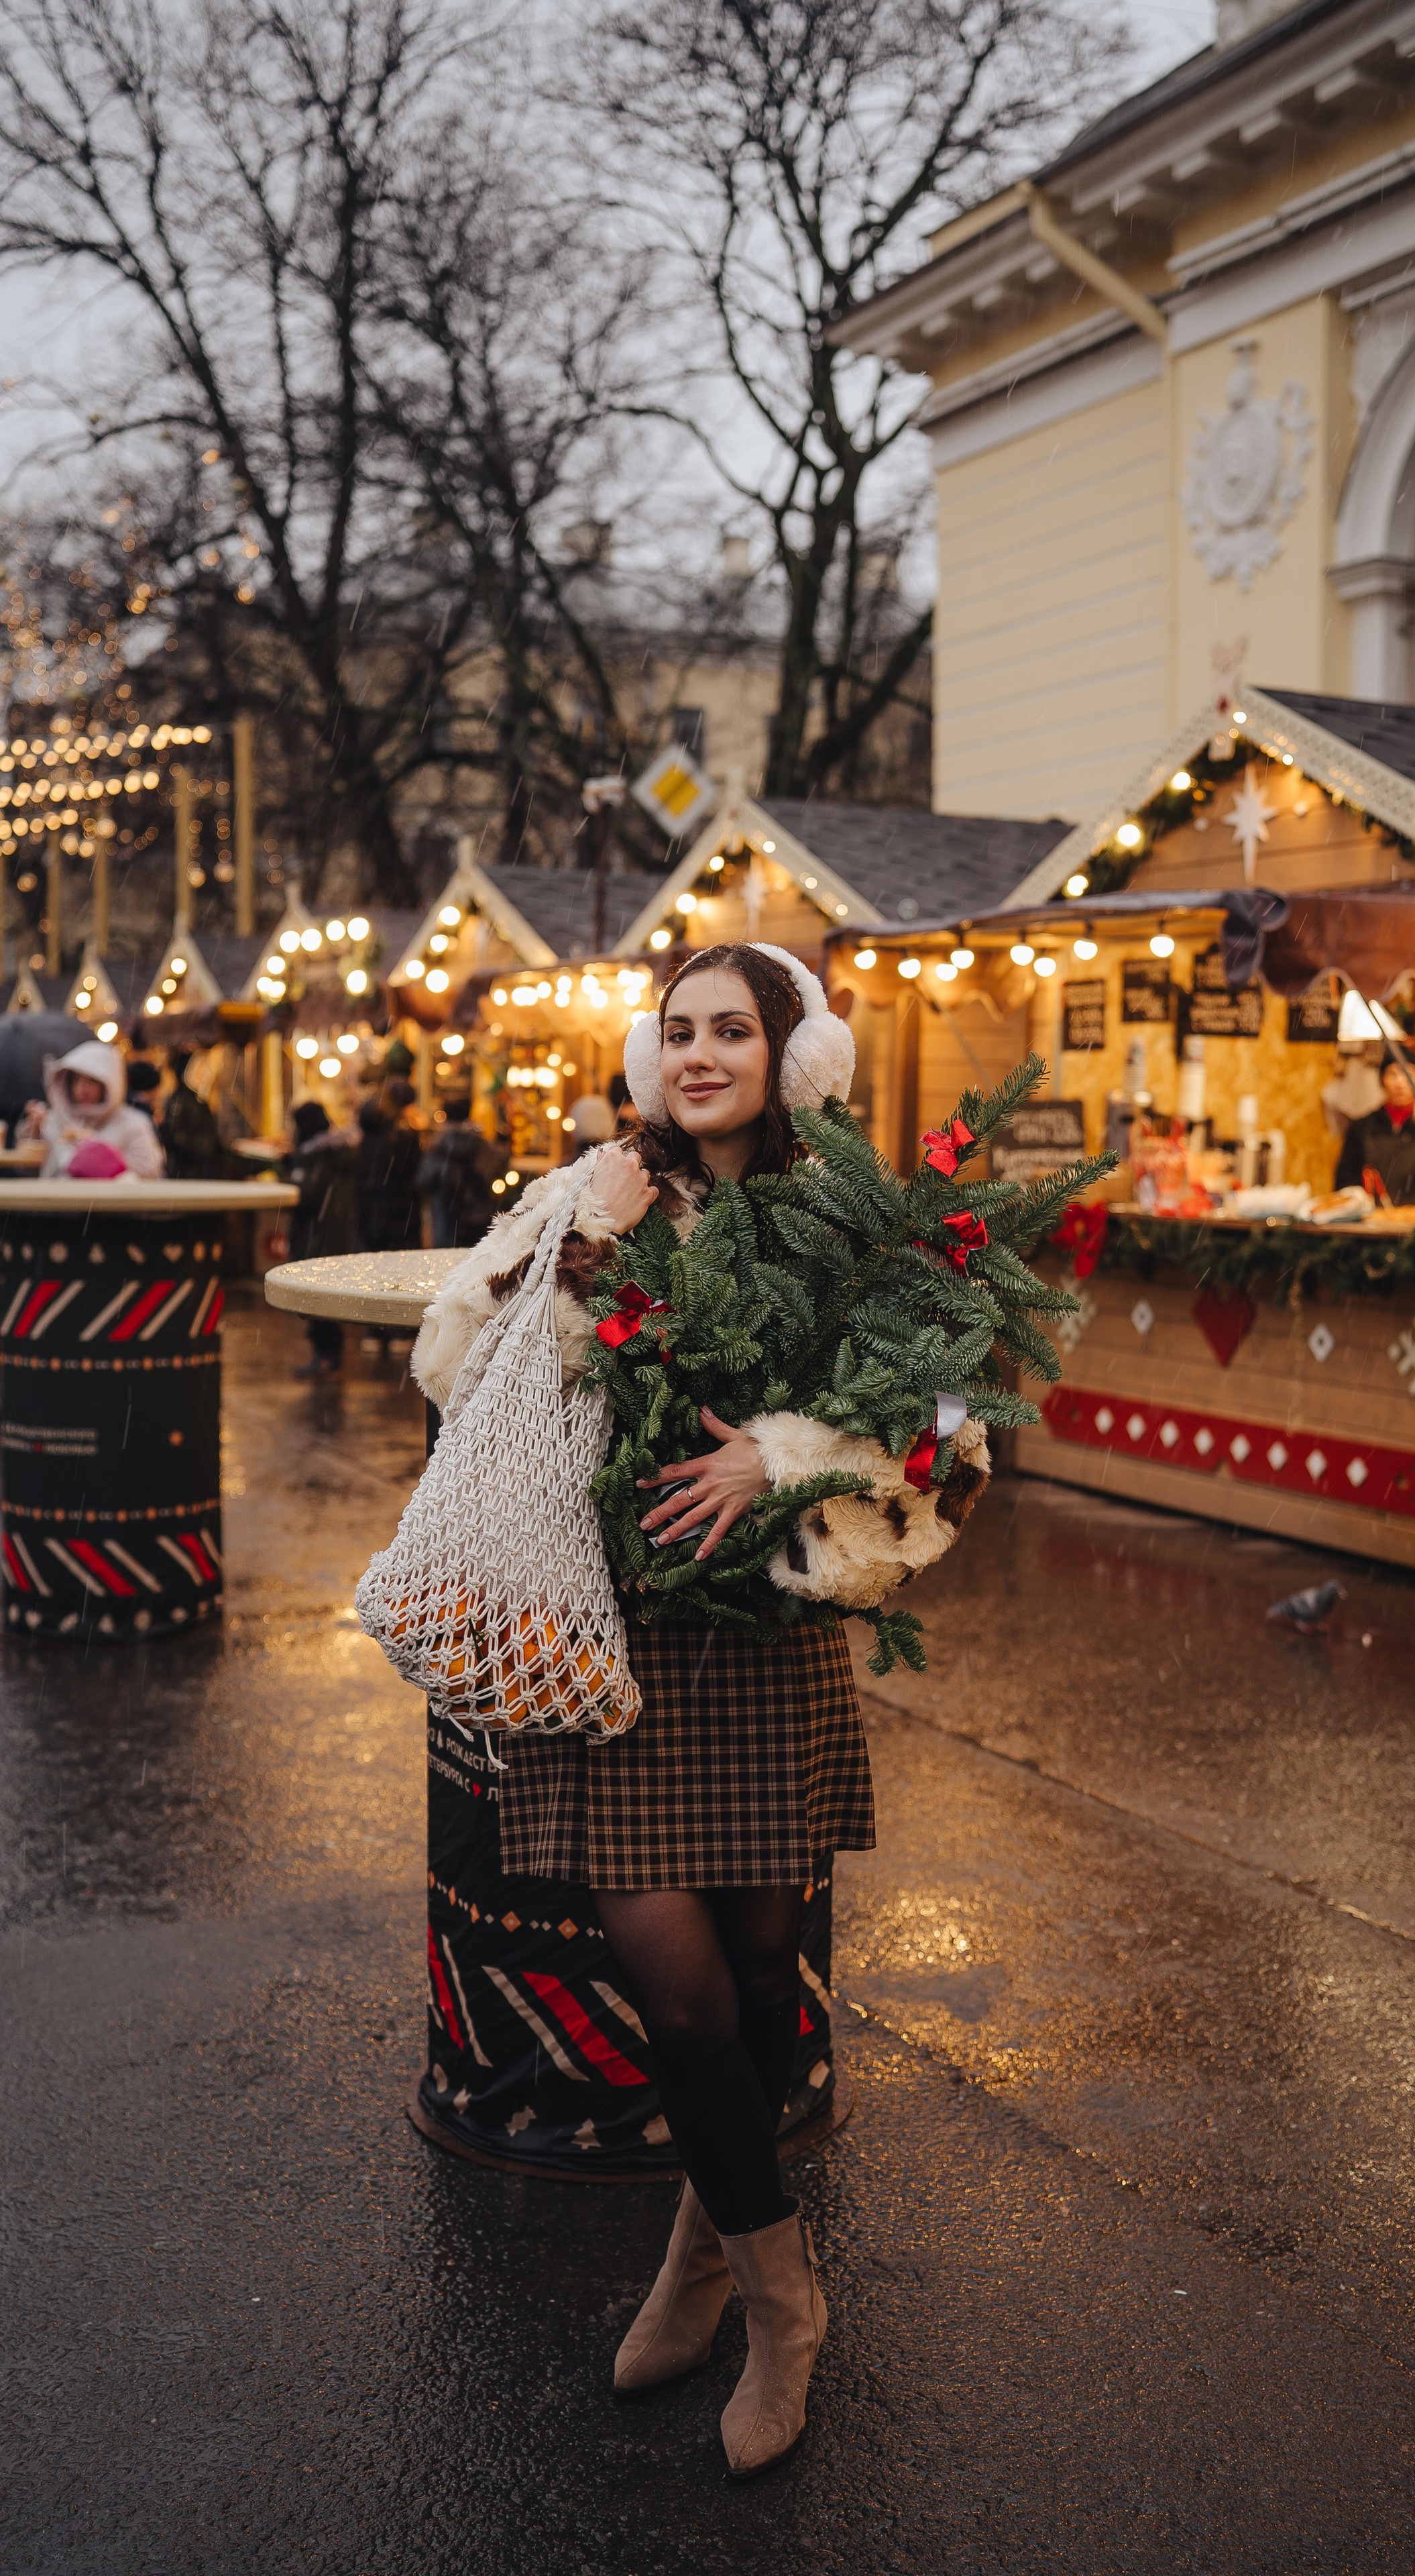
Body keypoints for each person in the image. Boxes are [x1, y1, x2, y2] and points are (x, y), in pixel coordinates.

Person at [411, 944, 993, 2478]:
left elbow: (953, 1422)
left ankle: (697, 2258)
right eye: (677, 1029)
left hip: (763, 1647)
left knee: (751, 1974)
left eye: (734, 1028)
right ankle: (784, 2303)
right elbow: (455, 1367)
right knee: (678, 1994)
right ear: (644, 1051)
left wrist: (782, 1454)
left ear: (796, 1055)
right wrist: (575, 1246)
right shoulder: (590, 1190)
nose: (699, 1053)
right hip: (611, 1640)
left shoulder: (852, 1217)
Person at [284, 1097, 358, 1377]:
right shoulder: (338, 1150)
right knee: (327, 1296)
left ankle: (325, 1355)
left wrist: (287, 1172)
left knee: (316, 1298)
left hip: (316, 1235)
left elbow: (305, 1195)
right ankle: (330, 1353)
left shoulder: (314, 1154)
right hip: (334, 1232)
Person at [19, 1038, 166, 1178]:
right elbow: (27, 1169)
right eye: (76, 1080)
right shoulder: (53, 1120)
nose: (82, 1089)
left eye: (91, 1081)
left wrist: (102, 1164)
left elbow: (149, 1170)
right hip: (55, 1196)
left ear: (109, 1083)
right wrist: (34, 1130)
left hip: (108, 1196)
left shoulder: (133, 1123)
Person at [354, 1077, 424, 1356]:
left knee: (373, 1269)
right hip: (400, 1210)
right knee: (401, 1269)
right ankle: (399, 1330)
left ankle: (373, 1330)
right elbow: (415, 1173)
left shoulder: (366, 1134)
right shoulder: (405, 1135)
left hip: (369, 1210)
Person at [1333, 1049, 1415, 1204]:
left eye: (1409, 1074)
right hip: (1371, 1217)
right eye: (1393, 1074)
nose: (1400, 1083)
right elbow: (1345, 1179)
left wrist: (1413, 1207)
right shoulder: (1362, 1128)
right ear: (1382, 1080)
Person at [417, 1091, 507, 1247]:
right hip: (477, 1217)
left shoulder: (439, 1144)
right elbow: (500, 1161)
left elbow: (423, 1180)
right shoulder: (479, 1143)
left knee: (446, 1256)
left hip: (445, 1219)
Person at [158, 1051, 225, 1181]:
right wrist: (202, 1147)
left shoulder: (199, 1100)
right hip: (189, 1172)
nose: (204, 1073)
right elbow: (175, 1135)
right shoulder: (181, 1100)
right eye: (199, 1069)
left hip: (203, 1170)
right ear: (188, 1071)